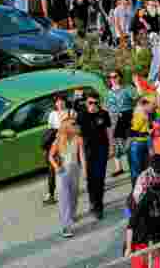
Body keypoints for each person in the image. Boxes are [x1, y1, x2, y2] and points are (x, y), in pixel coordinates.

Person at [125, 154, 160, 268]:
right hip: (140, 209)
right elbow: (131, 223)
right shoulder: (145, 178)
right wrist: (129, 247)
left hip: (153, 220)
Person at [77, 91, 112, 220]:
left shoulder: (104, 114)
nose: (93, 105)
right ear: (86, 103)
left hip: (102, 149)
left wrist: (111, 147)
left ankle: (99, 207)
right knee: (90, 179)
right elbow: (79, 137)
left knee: (100, 179)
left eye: (95, 103)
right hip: (88, 151)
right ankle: (93, 201)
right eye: (90, 102)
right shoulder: (81, 116)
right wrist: (81, 156)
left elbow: (108, 130)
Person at [49, 117, 86, 238]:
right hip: (62, 171)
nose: (76, 126)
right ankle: (66, 226)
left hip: (75, 169)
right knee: (64, 198)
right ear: (67, 127)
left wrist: (85, 171)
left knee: (74, 195)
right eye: (73, 124)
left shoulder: (78, 139)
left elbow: (82, 156)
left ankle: (72, 214)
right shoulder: (58, 141)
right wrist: (56, 167)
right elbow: (51, 156)